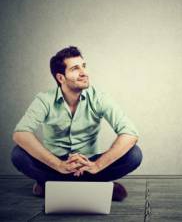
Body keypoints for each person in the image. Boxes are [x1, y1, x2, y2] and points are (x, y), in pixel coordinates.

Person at [10, 46, 142, 201]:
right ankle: (94, 188)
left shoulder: (99, 98)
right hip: (55, 165)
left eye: (84, 66)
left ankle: (53, 187)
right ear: (61, 78)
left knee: (134, 154)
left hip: (89, 164)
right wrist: (59, 165)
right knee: (18, 154)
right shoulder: (44, 100)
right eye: (75, 68)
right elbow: (21, 134)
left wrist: (96, 165)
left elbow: (130, 133)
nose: (84, 72)